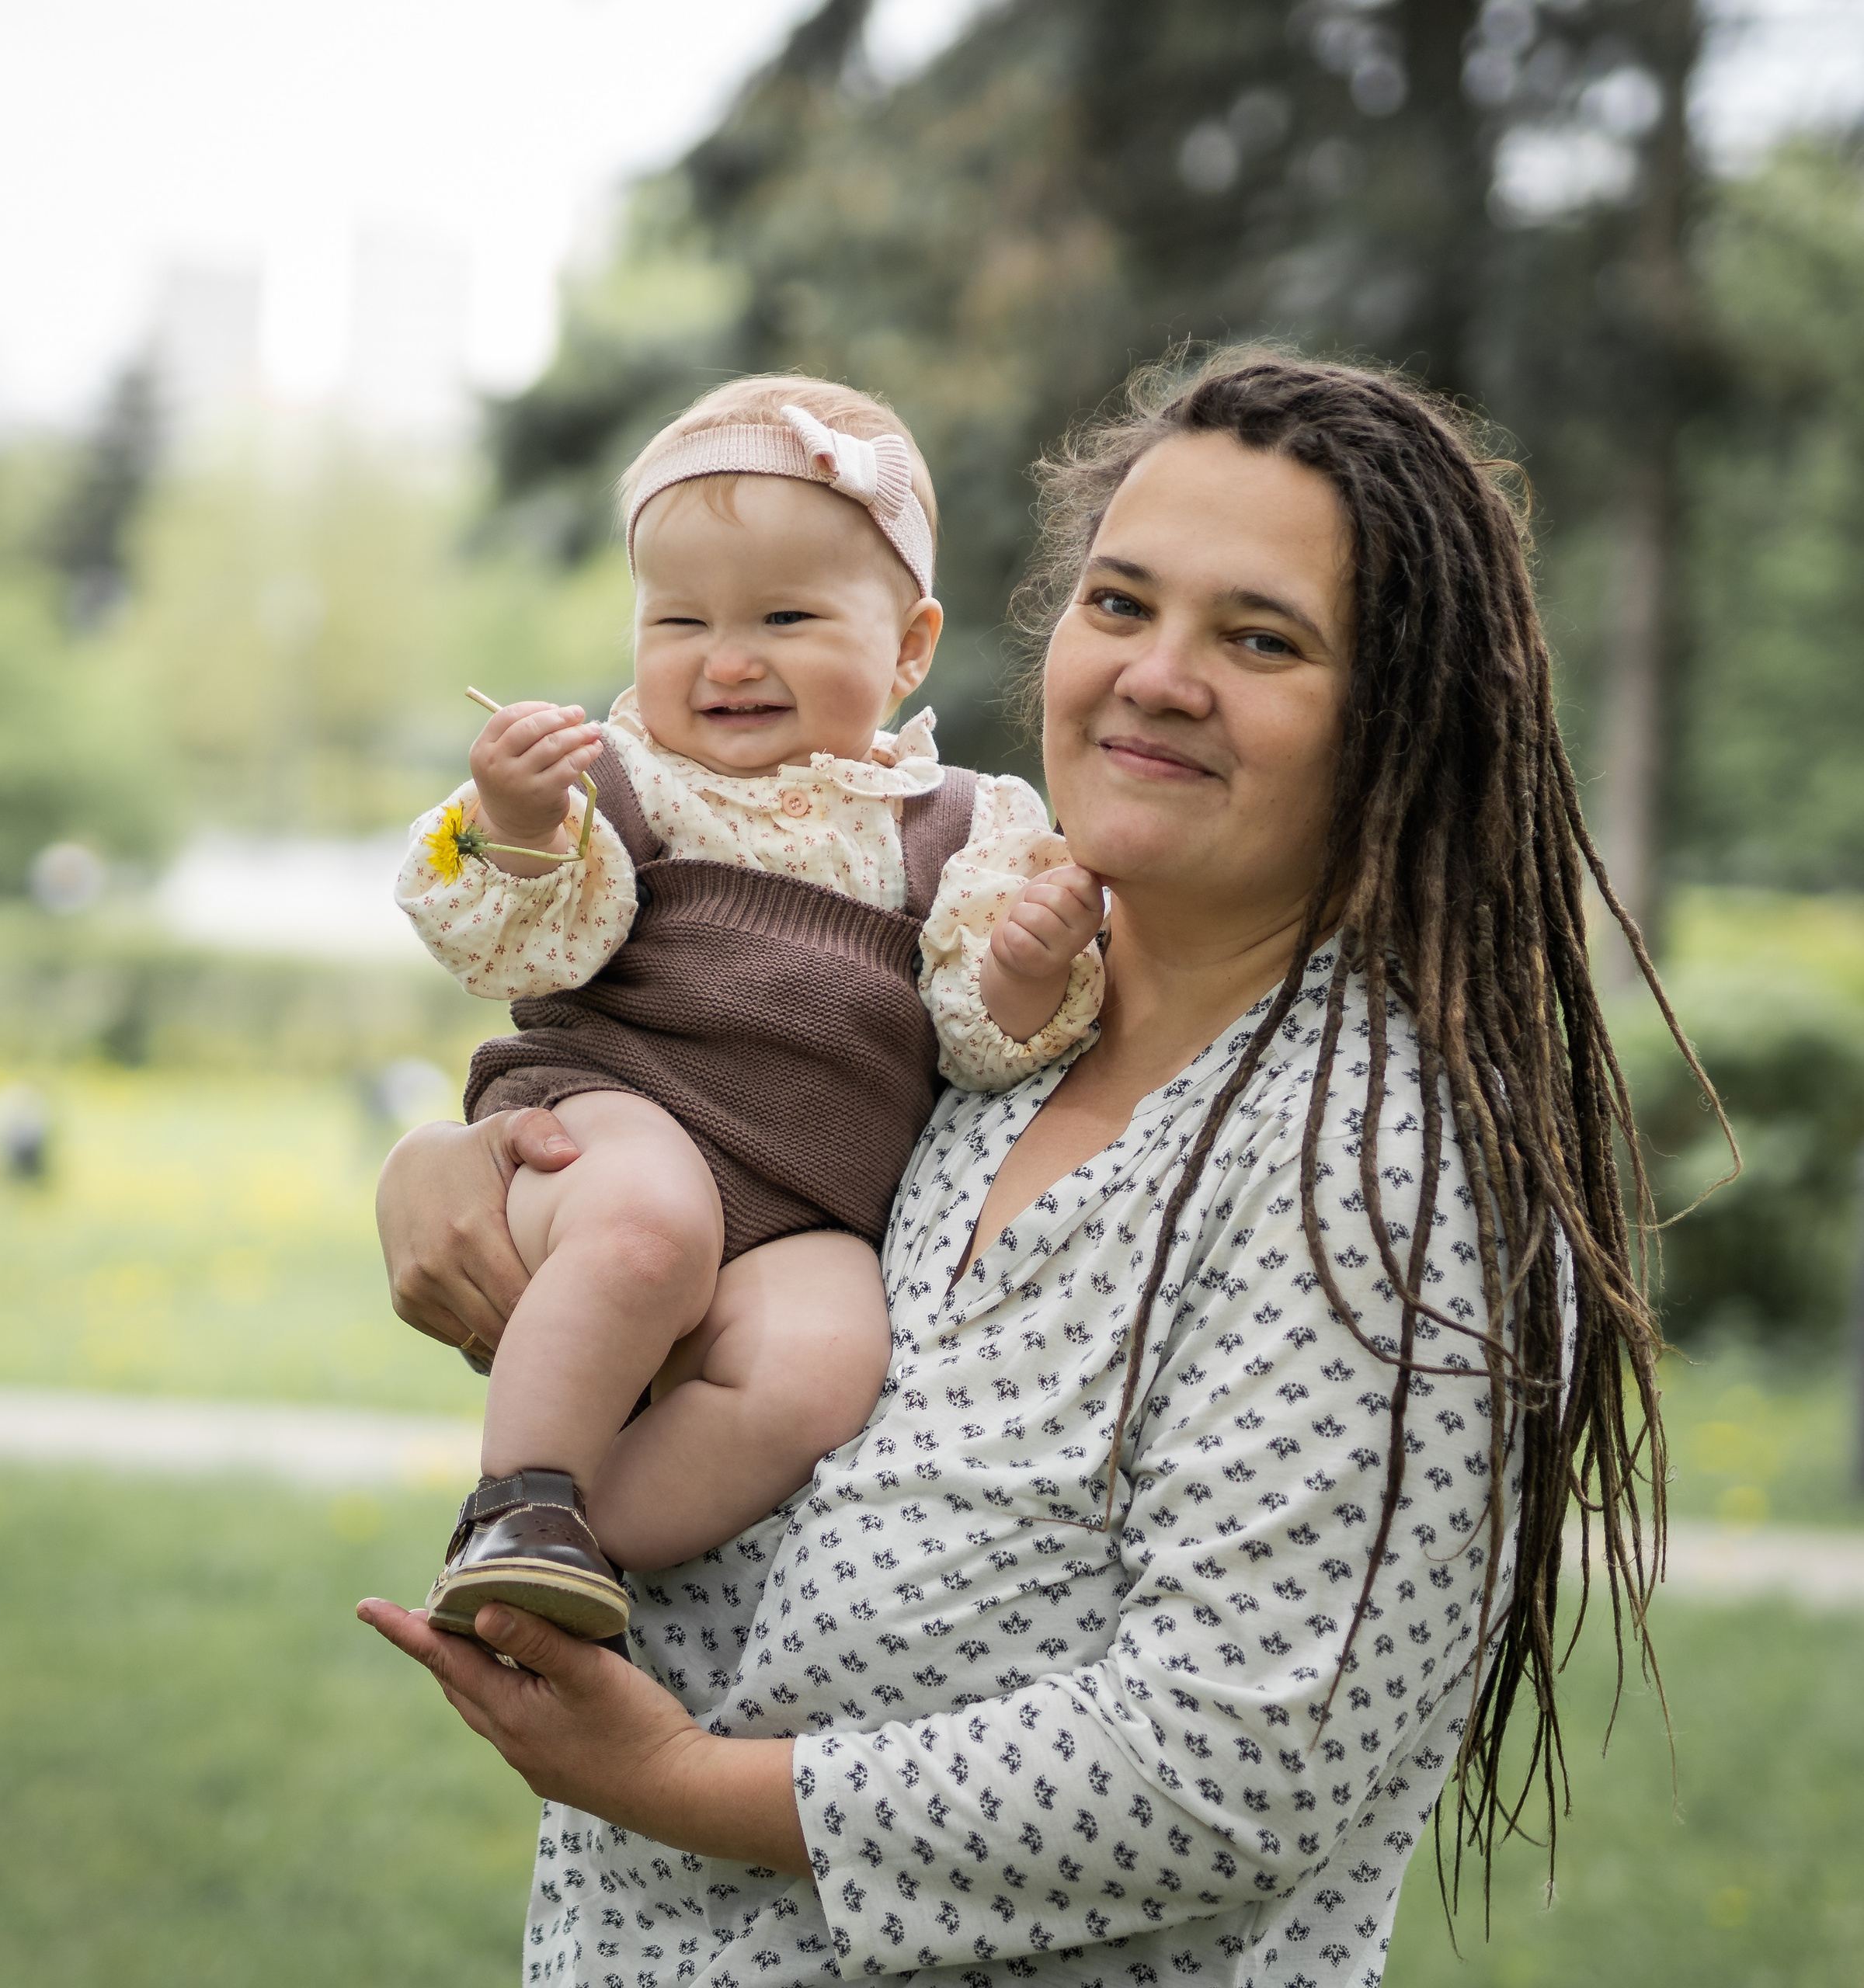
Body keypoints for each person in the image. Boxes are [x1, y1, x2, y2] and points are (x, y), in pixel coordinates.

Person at [363, 350, 1702, 1987]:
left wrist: (668, 1780)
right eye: (1120, 603)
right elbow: (685, 1187)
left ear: (1400, 722)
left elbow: (1231, 1766)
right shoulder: (980, 1029)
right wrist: (459, 1168)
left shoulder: (1377, 1177)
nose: (1156, 676)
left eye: (1261, 638)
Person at [392, 376, 1107, 1642]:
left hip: (810, 1201)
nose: (726, 660)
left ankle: (576, 1551)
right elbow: (514, 942)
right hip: (611, 1117)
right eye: (679, 620)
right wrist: (514, 822)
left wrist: (1029, 968)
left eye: (785, 616)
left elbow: (979, 1040)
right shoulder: (621, 783)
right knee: (649, 1229)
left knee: (822, 1369)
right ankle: (519, 1499)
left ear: (910, 647)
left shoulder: (960, 825)